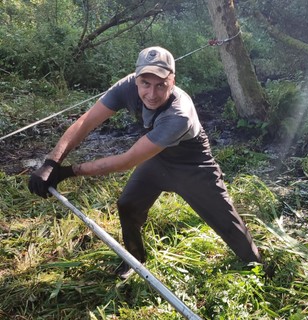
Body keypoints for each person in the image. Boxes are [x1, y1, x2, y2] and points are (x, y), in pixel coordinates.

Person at [28, 46, 262, 278]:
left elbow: (126, 161)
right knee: (128, 206)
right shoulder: (128, 86)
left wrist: (68, 172)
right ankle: (135, 259)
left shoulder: (178, 115)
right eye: (145, 83)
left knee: (225, 220)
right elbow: (86, 122)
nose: (152, 93)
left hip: (193, 164)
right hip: (157, 158)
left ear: (172, 80)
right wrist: (52, 162)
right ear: (136, 78)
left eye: (161, 85)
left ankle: (256, 266)